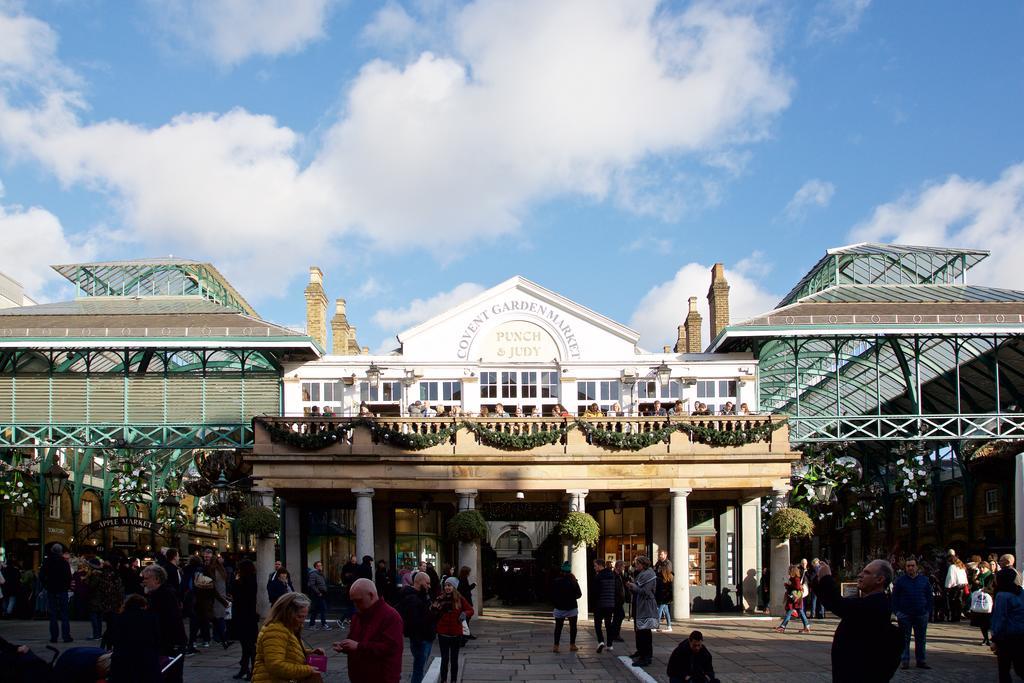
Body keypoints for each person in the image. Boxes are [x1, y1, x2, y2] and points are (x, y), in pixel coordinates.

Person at [812, 559, 901, 682]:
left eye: (867, 573)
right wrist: (819, 580)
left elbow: (838, 604)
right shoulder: (870, 602)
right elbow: (831, 603)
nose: (860, 575)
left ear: (880, 580)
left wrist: (826, 577)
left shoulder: (876, 604)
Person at [333, 578, 404, 683]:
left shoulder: (390, 616)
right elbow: (354, 640)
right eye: (353, 601)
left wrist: (358, 646)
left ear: (371, 595)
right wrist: (345, 646)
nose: (356, 605)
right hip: (359, 677)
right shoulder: (358, 616)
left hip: (382, 677)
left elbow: (390, 647)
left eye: (359, 601)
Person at [251, 592, 324, 683]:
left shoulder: (289, 627)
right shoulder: (275, 630)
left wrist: (309, 652)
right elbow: (275, 665)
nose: (302, 621)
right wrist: (308, 669)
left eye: (305, 617)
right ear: (287, 613)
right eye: (300, 617)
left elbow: (288, 650)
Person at [429, 576, 473, 683]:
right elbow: (433, 612)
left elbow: (470, 610)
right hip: (443, 633)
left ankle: (453, 680)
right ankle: (443, 680)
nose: (447, 587)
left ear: (454, 587)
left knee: (454, 660)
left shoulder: (460, 599)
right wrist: (434, 609)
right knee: (444, 659)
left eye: (449, 585)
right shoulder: (440, 598)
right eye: (445, 585)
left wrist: (464, 613)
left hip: (455, 634)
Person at [108, 594, 161, 683]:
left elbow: (113, 638)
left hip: (123, 661)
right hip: (146, 660)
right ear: (143, 605)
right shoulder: (151, 618)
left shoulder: (119, 618)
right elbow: (157, 639)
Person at [892, 557, 931, 669]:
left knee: (921, 638)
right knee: (905, 639)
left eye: (912, 565)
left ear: (917, 567)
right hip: (904, 614)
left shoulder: (924, 580)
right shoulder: (900, 581)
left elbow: (929, 596)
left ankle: (921, 660)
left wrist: (928, 611)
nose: (910, 568)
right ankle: (905, 661)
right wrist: (897, 612)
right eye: (908, 566)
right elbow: (894, 597)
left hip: (921, 613)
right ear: (905, 568)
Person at [397, 572, 436, 683]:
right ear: (420, 582)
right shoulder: (412, 598)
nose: (429, 586)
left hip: (425, 637)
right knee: (419, 669)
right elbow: (415, 621)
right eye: (427, 583)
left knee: (420, 667)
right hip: (421, 638)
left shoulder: (422, 595)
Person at [991, 567, 1024, 682]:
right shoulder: (1021, 592)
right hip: (1021, 634)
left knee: (1004, 669)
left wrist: (995, 638)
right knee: (1020, 667)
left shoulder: (1002, 595)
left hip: (1007, 636)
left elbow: (1000, 618)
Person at [229, 559, 258, 680]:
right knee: (247, 645)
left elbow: (234, 593)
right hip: (248, 616)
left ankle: (250, 670)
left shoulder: (243, 581)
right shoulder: (251, 580)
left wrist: (236, 580)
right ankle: (245, 669)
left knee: (248, 646)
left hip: (244, 616)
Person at [627, 555, 658, 668]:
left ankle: (646, 657)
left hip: (646, 605)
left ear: (643, 564)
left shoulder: (649, 574)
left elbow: (645, 591)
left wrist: (633, 586)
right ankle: (640, 651)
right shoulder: (640, 574)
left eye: (637, 564)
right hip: (639, 604)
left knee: (645, 632)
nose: (636, 566)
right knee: (639, 629)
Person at [40, 543, 73, 643]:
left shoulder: (47, 562)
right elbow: (69, 577)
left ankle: (54, 637)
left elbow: (41, 576)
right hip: (62, 590)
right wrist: (66, 587)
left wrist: (46, 585)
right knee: (64, 614)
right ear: (60, 552)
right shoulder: (64, 563)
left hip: (51, 590)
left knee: (53, 614)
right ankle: (66, 636)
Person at [550, 561, 581, 653]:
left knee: (558, 627)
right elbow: (579, 594)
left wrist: (556, 602)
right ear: (570, 571)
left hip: (559, 607)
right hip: (571, 607)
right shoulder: (573, 581)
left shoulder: (556, 581)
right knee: (573, 627)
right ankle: (572, 645)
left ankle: (556, 646)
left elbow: (551, 594)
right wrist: (572, 598)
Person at [774, 565, 810, 633]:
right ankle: (806, 626)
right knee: (801, 612)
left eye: (789, 570)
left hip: (795, 599)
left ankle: (782, 627)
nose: (788, 571)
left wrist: (788, 586)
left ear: (792, 571)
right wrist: (788, 586)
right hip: (795, 598)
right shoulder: (793, 578)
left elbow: (798, 588)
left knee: (790, 612)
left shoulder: (796, 579)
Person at [593, 559, 616, 653]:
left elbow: (595, 591)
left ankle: (601, 641)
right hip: (610, 603)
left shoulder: (598, 577)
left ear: (599, 565)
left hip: (600, 603)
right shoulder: (612, 575)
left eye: (595, 566)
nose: (594, 568)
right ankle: (610, 644)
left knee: (598, 624)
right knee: (608, 624)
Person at [970, 578, 995, 647]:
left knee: (989, 623)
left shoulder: (992, 576)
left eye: (983, 568)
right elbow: (972, 588)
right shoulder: (978, 576)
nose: (981, 569)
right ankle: (986, 638)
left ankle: (992, 639)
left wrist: (986, 590)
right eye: (980, 568)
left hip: (990, 602)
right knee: (982, 623)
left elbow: (995, 589)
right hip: (980, 603)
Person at [307, 561, 330, 630]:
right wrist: (318, 592)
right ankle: (324, 624)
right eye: (319, 566)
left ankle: (312, 624)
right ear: (316, 567)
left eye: (321, 565)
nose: (320, 567)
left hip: (322, 594)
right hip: (317, 594)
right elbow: (312, 584)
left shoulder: (320, 574)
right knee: (323, 609)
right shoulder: (313, 574)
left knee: (315, 610)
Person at [945, 555, 968, 622]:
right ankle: (958, 617)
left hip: (955, 587)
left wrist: (947, 586)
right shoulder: (961, 566)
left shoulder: (952, 567)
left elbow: (951, 577)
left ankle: (953, 617)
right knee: (959, 602)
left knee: (953, 602)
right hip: (962, 586)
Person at [457, 565, 476, 641]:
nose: (469, 573)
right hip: (466, 601)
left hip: (465, 600)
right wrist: (473, 585)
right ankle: (465, 634)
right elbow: (466, 590)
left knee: (466, 618)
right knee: (466, 618)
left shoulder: (461, 579)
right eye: (469, 572)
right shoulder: (463, 579)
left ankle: (466, 633)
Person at [611, 560, 628, 644]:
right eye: (623, 566)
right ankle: (615, 634)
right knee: (619, 616)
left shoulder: (620, 575)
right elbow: (616, 588)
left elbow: (623, 584)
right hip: (616, 600)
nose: (624, 568)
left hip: (619, 600)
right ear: (618, 567)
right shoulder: (614, 575)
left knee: (619, 616)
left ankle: (614, 633)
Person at [656, 562, 674, 632]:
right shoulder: (669, 577)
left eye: (660, 569)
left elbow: (661, 589)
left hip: (663, 597)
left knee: (659, 611)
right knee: (666, 611)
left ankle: (656, 625)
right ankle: (669, 626)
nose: (659, 570)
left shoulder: (662, 579)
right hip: (667, 597)